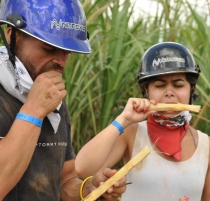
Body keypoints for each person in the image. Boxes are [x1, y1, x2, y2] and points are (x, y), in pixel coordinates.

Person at [0, 0, 134, 200]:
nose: (62, 62)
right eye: (49, 49)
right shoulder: (34, 100)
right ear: (13, 35)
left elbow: (65, 180)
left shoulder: (53, 101)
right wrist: (34, 110)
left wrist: (90, 188)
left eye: (67, 52)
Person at [75, 42, 210, 200]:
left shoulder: (209, 149)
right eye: (160, 86)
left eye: (178, 85)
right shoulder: (131, 135)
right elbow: (81, 168)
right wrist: (124, 119)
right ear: (147, 91)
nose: (169, 93)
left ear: (191, 89)